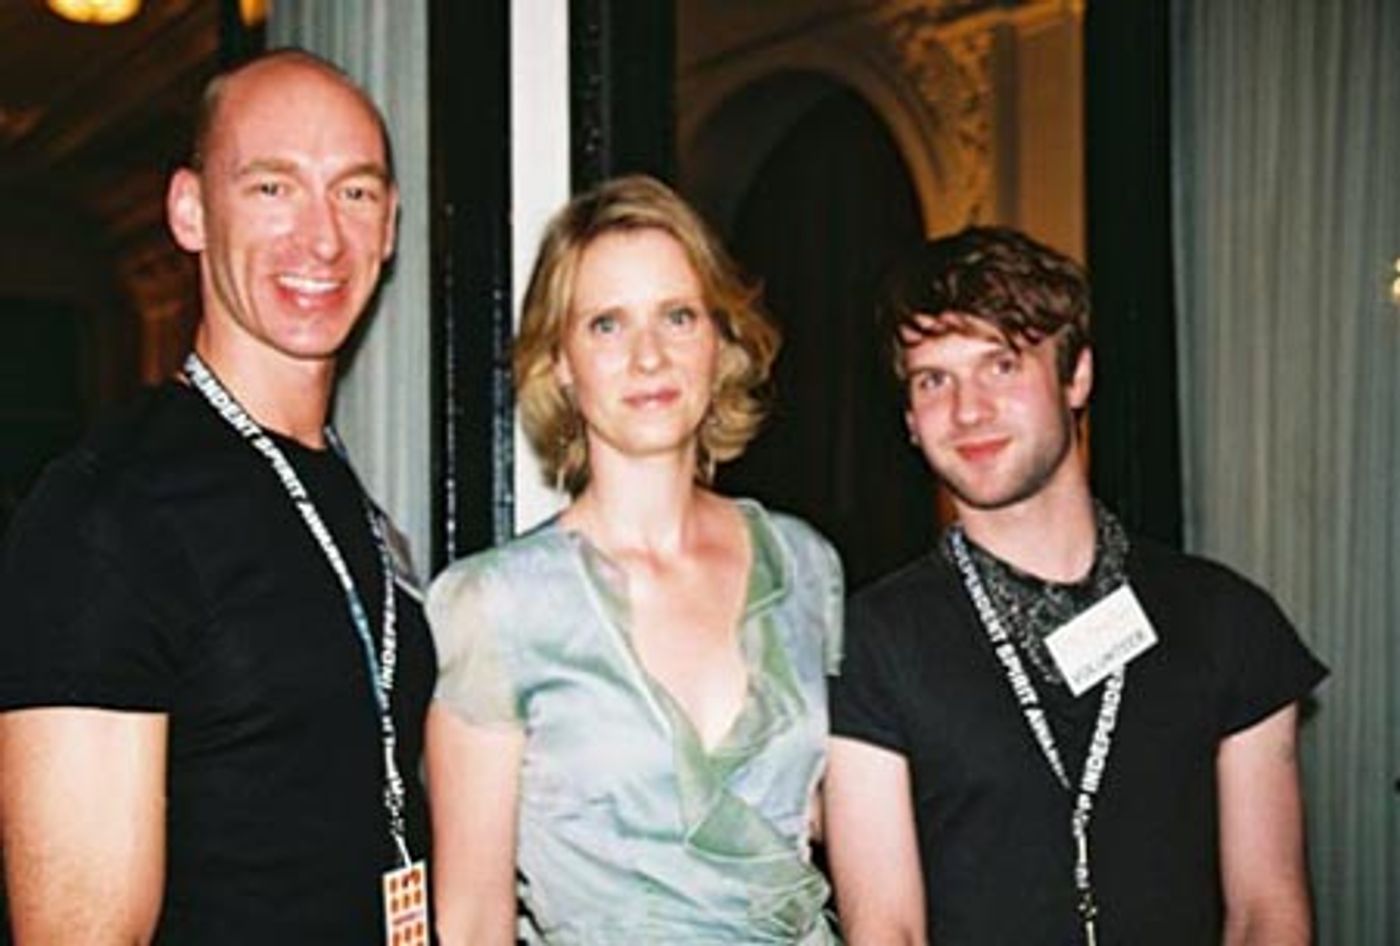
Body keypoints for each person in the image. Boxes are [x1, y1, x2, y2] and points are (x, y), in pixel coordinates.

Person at [0, 50, 434, 944]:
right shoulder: (110, 516)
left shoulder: (343, 496)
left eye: (354, 192)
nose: (322, 238)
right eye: (273, 187)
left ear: (390, 225)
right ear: (190, 211)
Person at [825, 226, 1328, 946]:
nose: (967, 411)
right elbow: (887, 931)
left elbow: (1267, 913)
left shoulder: (1225, 618)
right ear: (908, 417)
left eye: (1001, 364)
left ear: (1077, 376)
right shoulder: (870, 643)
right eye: (933, 380)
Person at [425, 175, 843, 945]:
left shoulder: (806, 567)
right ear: (561, 362)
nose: (649, 357)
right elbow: (473, 921)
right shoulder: (496, 605)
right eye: (607, 325)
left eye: (677, 317)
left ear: (719, 341)